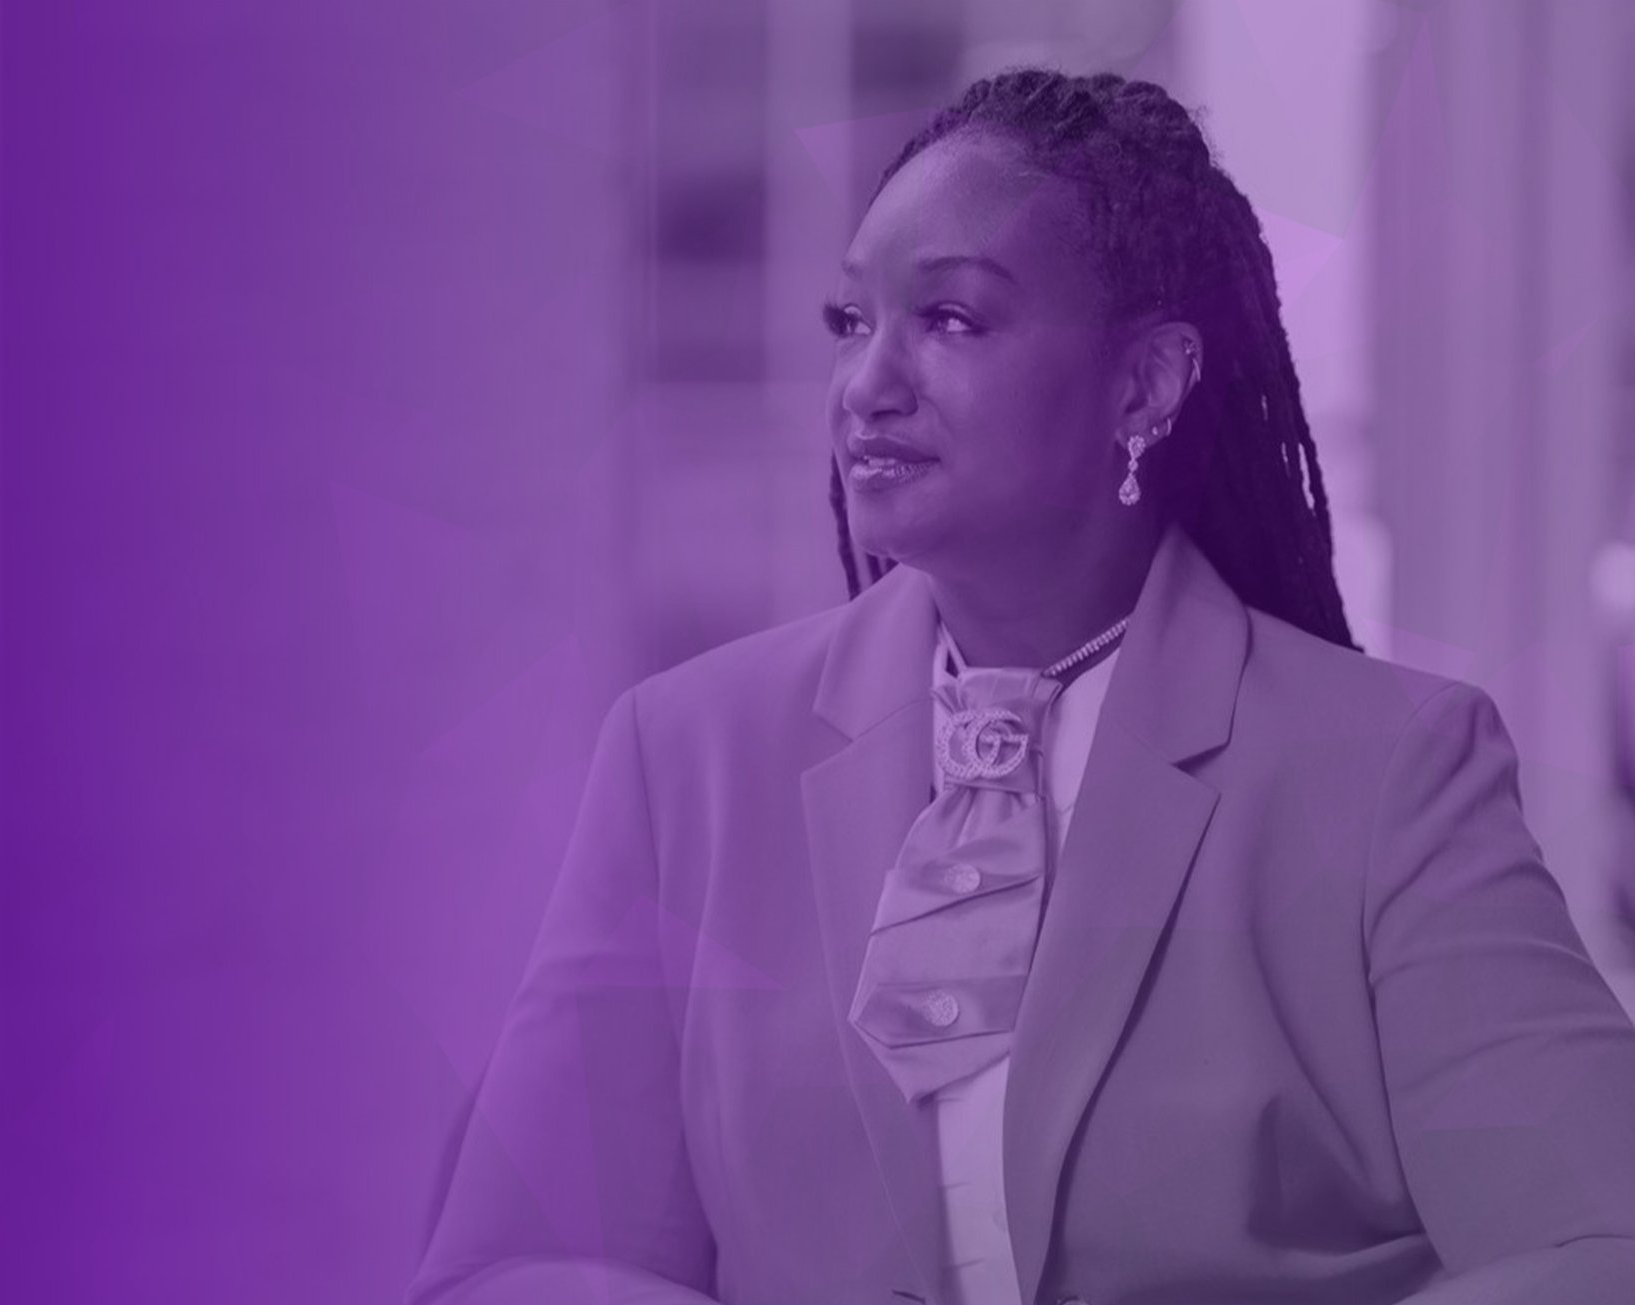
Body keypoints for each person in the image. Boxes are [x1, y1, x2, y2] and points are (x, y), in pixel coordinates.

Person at [408, 69, 1635, 1305]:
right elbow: (512, 1265)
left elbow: (1601, 1246)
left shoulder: (1387, 773)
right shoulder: (689, 758)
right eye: (851, 321)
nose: (867, 385)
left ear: (1144, 385)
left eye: (951, 319)